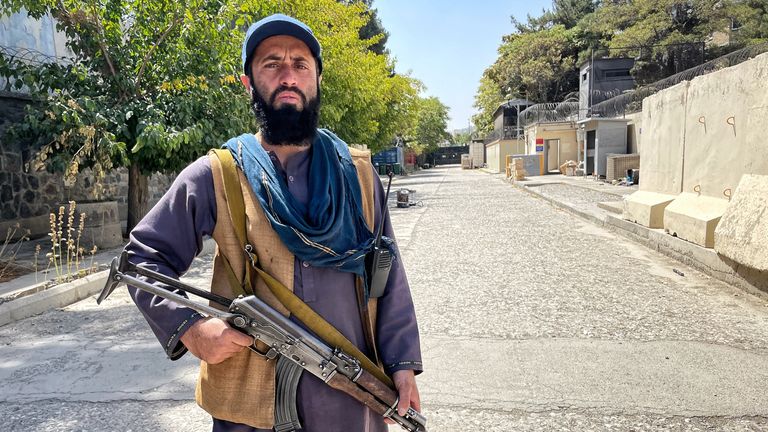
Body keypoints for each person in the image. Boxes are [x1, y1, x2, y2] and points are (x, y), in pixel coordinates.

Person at [123, 13, 423, 432]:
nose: (288, 75)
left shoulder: (358, 174)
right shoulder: (218, 174)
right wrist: (191, 329)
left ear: (317, 78)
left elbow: (387, 273)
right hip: (249, 405)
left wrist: (402, 365)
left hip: (350, 399)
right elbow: (141, 259)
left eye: (301, 64)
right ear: (249, 82)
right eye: (271, 64)